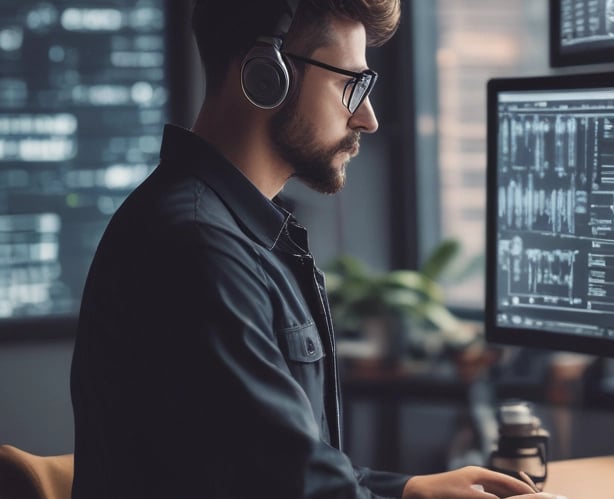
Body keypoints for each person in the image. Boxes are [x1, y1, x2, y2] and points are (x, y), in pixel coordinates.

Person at [69, 1, 554, 498]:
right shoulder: (198, 247)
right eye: (351, 84)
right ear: (265, 75)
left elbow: (283, 461)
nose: (367, 118)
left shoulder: (230, 230)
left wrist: (409, 490)